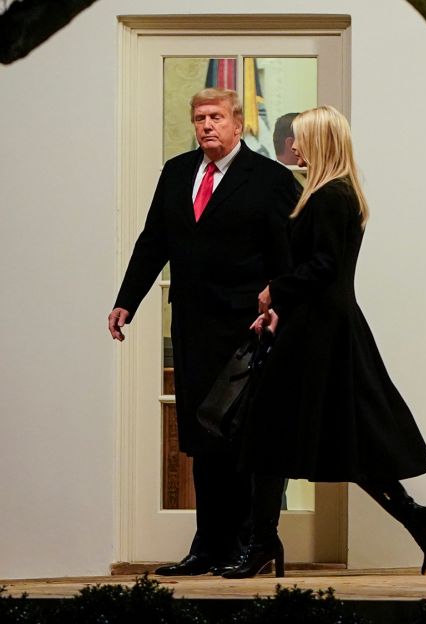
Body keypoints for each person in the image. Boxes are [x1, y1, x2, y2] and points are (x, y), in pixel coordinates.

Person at [221, 105, 426, 579]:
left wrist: (273, 294)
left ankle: (263, 544)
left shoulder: (328, 197)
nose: (293, 146)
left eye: (301, 138)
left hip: (318, 333)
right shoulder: (337, 193)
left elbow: (323, 267)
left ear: (320, 142)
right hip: (321, 326)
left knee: (271, 433)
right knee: (341, 436)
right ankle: (416, 520)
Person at [108, 88, 300, 576]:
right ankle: (207, 546)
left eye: (216, 117)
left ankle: (247, 544)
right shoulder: (176, 172)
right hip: (192, 324)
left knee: (240, 437)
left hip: (247, 327)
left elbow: (287, 253)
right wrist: (126, 300)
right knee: (200, 436)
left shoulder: (270, 179)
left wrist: (279, 305)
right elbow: (154, 242)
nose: (206, 125)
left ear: (239, 124)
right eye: (199, 118)